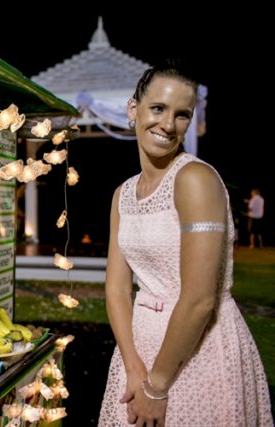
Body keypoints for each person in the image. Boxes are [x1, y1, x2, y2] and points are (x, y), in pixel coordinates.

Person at [98, 61, 272, 426]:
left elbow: (199, 299)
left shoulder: (195, 179)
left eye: (181, 115)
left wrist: (156, 387)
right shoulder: (122, 195)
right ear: (134, 109)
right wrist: (133, 368)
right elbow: (115, 289)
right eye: (158, 108)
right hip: (138, 351)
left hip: (197, 350)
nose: (167, 124)